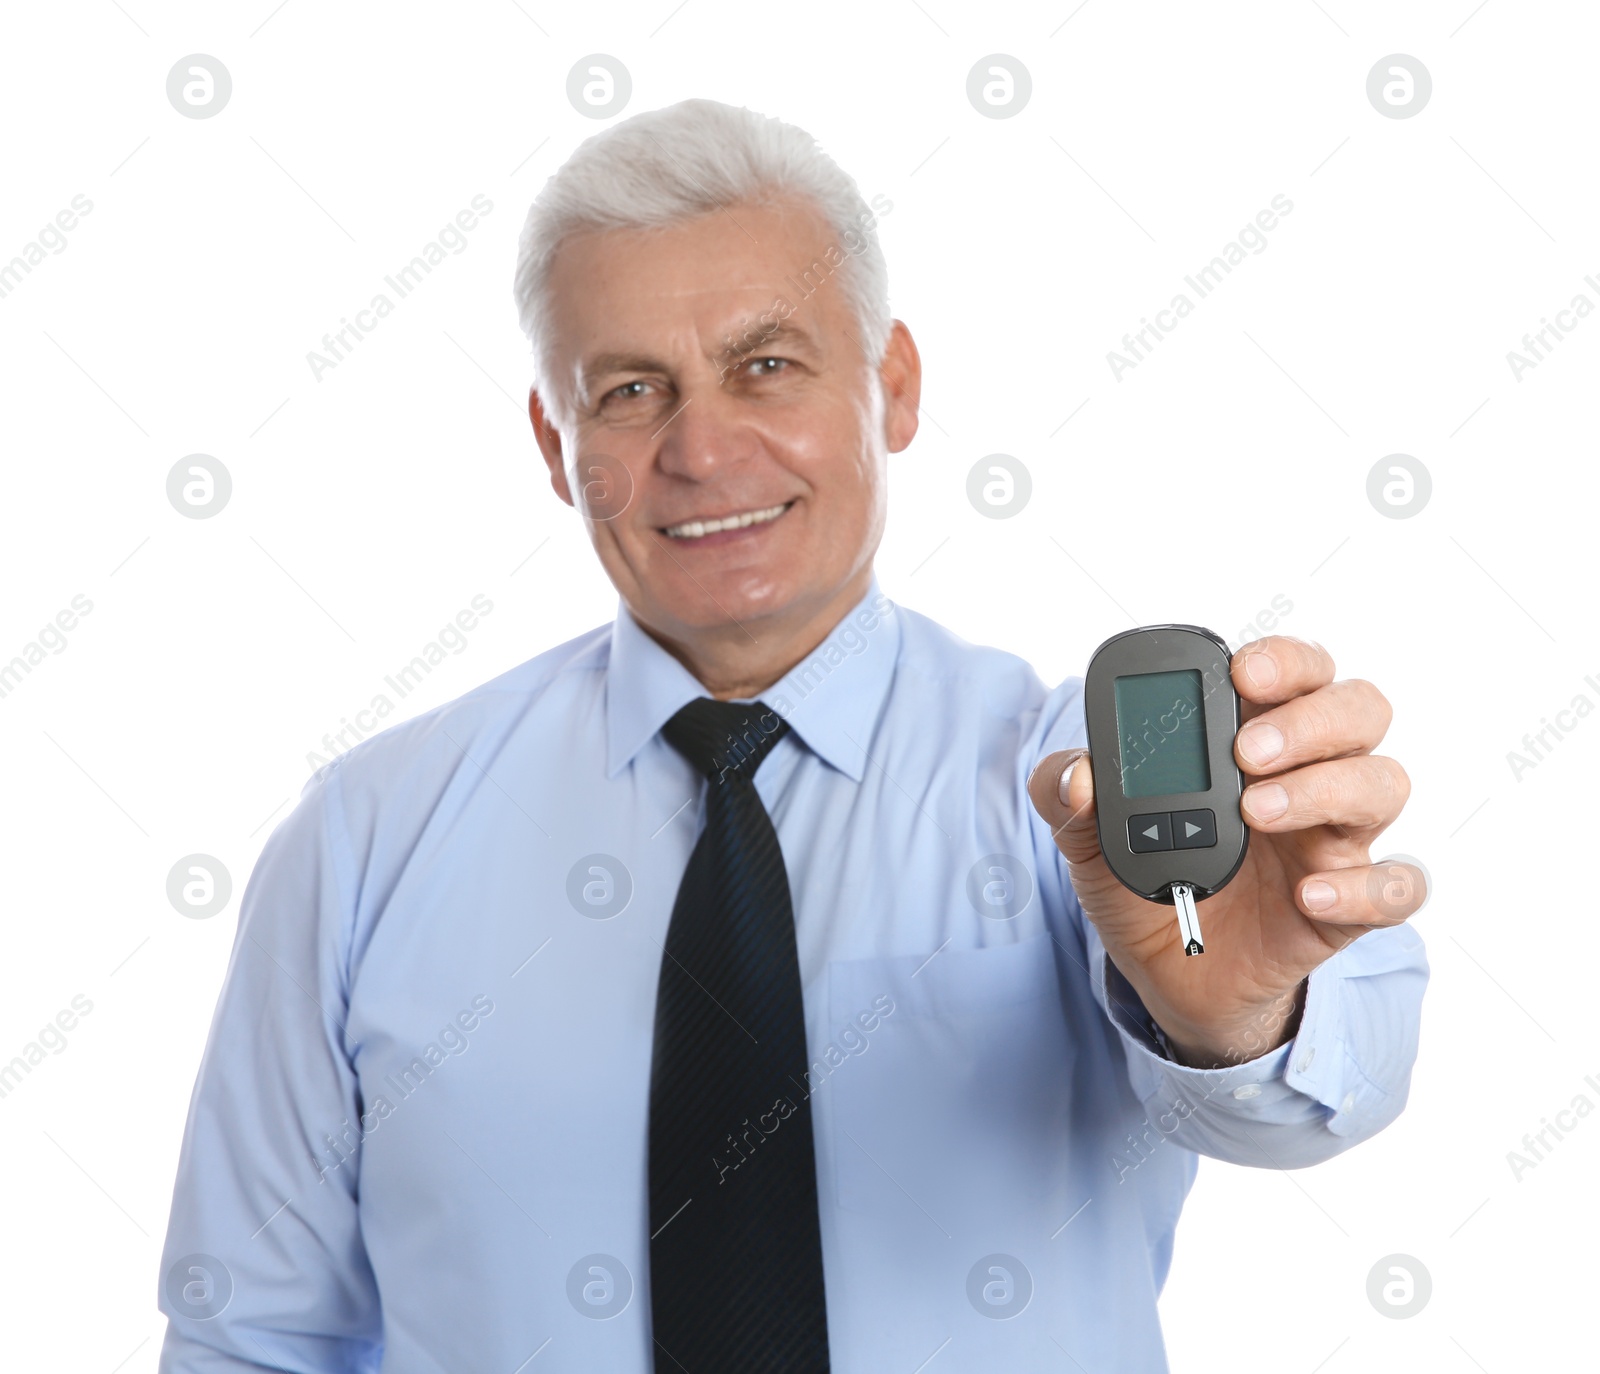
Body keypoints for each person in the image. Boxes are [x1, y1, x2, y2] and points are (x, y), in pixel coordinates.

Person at [156, 97, 1428, 1373]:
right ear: (557, 446)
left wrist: (1242, 1013)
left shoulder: (1076, 795)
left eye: (766, 365)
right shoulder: (365, 841)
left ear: (895, 388)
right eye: (631, 391)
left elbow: (1327, 1094)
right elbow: (248, 1334)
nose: (702, 450)